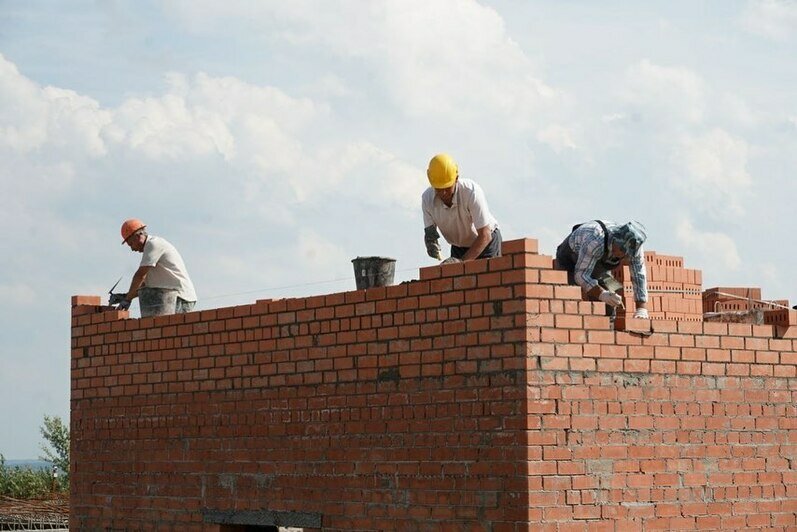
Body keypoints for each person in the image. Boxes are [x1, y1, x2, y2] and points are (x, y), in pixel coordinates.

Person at [555, 220, 649, 319]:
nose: (623, 255)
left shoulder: (635, 247)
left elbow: (639, 275)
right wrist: (602, 294)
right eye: (621, 250)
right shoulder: (595, 239)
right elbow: (581, 275)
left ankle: (608, 328)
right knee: (571, 300)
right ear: (615, 240)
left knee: (612, 298)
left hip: (597, 265)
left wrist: (641, 308)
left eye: (627, 254)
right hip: (570, 260)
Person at [422, 153, 502, 262]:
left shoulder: (471, 192)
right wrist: (431, 242)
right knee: (457, 277)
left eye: (447, 187)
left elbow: (485, 235)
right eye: (439, 188)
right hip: (459, 247)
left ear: (456, 179)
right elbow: (430, 234)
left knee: (486, 278)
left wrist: (461, 263)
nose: (443, 193)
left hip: (486, 243)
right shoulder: (427, 199)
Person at [111, 219, 197, 317]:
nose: (132, 249)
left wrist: (127, 300)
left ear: (137, 236)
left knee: (172, 330)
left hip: (180, 297)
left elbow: (140, 276)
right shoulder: (150, 254)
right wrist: (126, 296)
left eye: (131, 244)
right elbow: (142, 285)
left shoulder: (153, 244)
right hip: (170, 296)